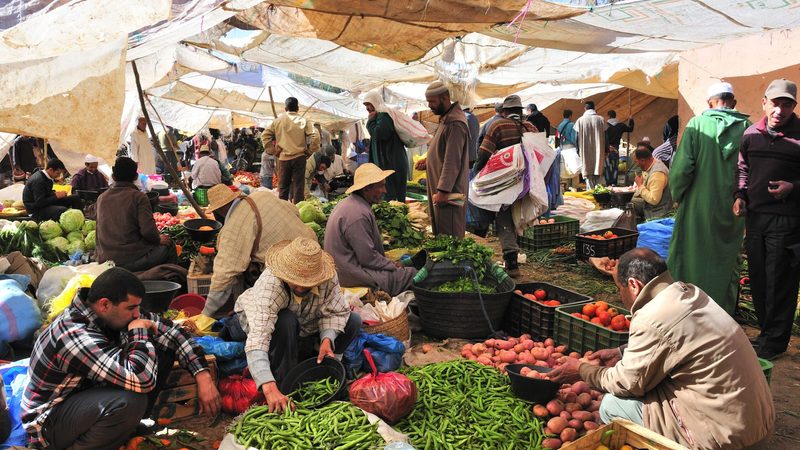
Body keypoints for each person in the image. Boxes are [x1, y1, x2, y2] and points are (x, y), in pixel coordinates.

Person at [549, 248, 774, 450]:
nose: (620, 295)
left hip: (723, 440)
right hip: (757, 426)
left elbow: (627, 384)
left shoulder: (651, 316)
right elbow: (676, 344)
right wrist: (621, 353)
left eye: (620, 287)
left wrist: (582, 370)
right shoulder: (690, 293)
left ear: (634, 285)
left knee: (611, 405)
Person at [22, 267, 220, 449]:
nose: (137, 314)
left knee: (162, 349)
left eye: (138, 307)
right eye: (131, 308)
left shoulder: (115, 314)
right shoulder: (74, 334)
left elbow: (175, 333)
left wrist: (202, 375)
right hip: (50, 422)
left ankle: (126, 428)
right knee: (130, 401)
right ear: (105, 304)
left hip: (84, 399)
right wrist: (139, 333)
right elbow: (142, 380)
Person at [233, 237, 360, 413]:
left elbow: (336, 311)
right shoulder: (270, 285)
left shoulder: (326, 277)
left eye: (307, 283)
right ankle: (285, 385)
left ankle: (324, 371)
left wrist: (327, 340)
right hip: (256, 322)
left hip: (305, 321)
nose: (300, 287)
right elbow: (259, 336)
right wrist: (268, 387)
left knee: (353, 321)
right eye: (296, 281)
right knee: (285, 320)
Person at [668, 82, 750, 316]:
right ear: (733, 102)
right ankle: (722, 316)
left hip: (698, 206)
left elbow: (682, 169)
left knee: (692, 256)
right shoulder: (747, 127)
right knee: (725, 260)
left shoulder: (697, 125)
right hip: (734, 209)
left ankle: (690, 310)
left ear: (709, 103)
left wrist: (678, 195)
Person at [735, 78, 800, 360]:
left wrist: (793, 187)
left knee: (780, 281)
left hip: (788, 221)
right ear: (765, 103)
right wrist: (739, 195)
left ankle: (775, 342)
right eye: (776, 103)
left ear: (793, 107)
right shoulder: (750, 134)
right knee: (760, 278)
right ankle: (766, 334)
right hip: (756, 218)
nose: (780, 110)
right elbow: (743, 168)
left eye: (787, 105)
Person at [201, 184, 316, 318]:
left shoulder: (234, 226)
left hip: (290, 270)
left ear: (219, 210)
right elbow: (294, 210)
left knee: (284, 311)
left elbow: (224, 275)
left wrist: (205, 314)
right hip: (312, 251)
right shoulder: (262, 195)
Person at [325, 164, 417, 295]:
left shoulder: (350, 204)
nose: (385, 190)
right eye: (381, 186)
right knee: (412, 274)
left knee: (403, 269)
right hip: (351, 275)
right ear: (367, 188)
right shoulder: (358, 214)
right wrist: (392, 265)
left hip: (347, 268)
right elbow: (368, 258)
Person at [476, 95, 538, 278]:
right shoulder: (530, 127)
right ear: (519, 111)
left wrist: (478, 173)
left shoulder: (498, 125)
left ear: (504, 111)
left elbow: (484, 153)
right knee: (517, 216)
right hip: (527, 183)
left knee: (504, 219)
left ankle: (511, 262)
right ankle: (513, 255)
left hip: (504, 182)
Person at [95, 157, 177, 272]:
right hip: (130, 260)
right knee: (169, 244)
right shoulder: (138, 197)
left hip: (105, 260)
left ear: (113, 177)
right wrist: (158, 239)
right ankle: (168, 282)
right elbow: (148, 231)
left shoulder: (101, 198)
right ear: (135, 177)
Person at [424, 81, 470, 238]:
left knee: (450, 237)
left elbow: (452, 161)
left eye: (432, 101)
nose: (429, 105)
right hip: (441, 190)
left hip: (449, 192)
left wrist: (443, 191)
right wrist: (429, 160)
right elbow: (443, 150)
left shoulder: (455, 123)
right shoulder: (446, 119)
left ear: (444, 98)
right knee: (442, 233)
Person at [261, 97, 320, 204]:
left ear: (285, 108)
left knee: (283, 188)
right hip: (299, 158)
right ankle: (297, 212)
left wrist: (273, 150)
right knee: (298, 188)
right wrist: (310, 150)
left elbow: (264, 135)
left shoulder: (277, 121)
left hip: (283, 160)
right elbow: (315, 136)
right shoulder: (303, 121)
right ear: (297, 108)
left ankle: (283, 213)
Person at [362, 91, 409, 202]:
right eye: (366, 105)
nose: (368, 108)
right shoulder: (379, 116)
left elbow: (381, 134)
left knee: (394, 199)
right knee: (389, 197)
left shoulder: (384, 115)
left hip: (393, 163)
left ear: (376, 102)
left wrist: (370, 121)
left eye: (369, 104)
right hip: (388, 163)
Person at [631, 142, 671, 221]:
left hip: (660, 211)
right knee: (632, 201)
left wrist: (640, 185)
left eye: (636, 162)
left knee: (631, 204)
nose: (636, 165)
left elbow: (654, 200)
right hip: (655, 207)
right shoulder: (650, 165)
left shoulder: (657, 174)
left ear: (642, 160)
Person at [574, 101, 606, 188]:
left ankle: (590, 192)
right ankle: (598, 193)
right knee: (597, 171)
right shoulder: (601, 119)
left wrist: (578, 150)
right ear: (594, 108)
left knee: (588, 172)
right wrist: (606, 150)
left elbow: (576, 137)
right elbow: (606, 136)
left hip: (585, 150)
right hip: (599, 150)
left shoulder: (580, 120)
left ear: (585, 108)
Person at [605, 110, 634, 186]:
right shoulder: (620, 125)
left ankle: (608, 183)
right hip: (615, 148)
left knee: (607, 166)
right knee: (615, 166)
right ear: (615, 116)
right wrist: (631, 119)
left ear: (608, 116)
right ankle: (614, 183)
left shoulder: (605, 125)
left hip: (607, 148)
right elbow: (630, 129)